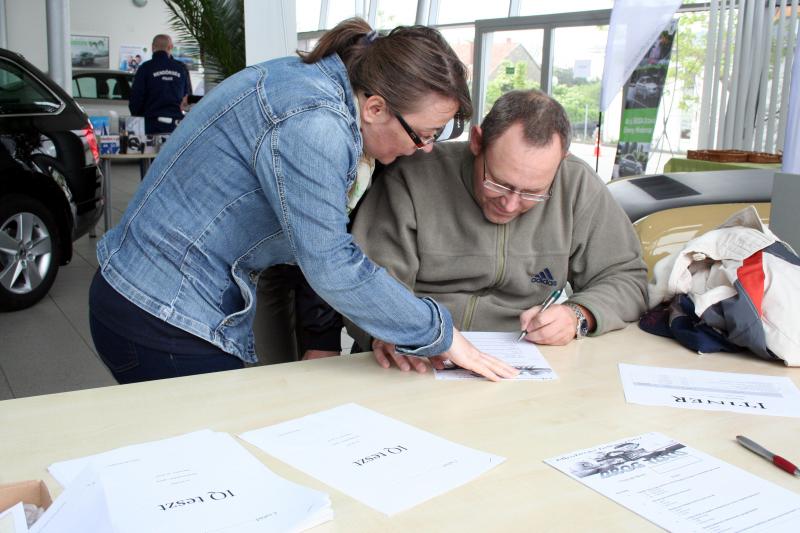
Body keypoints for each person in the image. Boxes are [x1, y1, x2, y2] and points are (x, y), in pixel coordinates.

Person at [89, 18, 518, 384]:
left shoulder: (320, 83)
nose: (425, 149)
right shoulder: (315, 124)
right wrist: (441, 334)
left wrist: (393, 323)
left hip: (147, 294)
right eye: (422, 135)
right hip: (160, 312)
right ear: (375, 108)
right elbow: (330, 261)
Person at [347, 89, 648, 372]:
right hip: (419, 356)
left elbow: (626, 277)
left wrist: (579, 314)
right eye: (498, 183)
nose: (510, 204)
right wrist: (387, 329)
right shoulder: (412, 177)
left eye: (533, 193)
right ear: (477, 142)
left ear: (561, 162)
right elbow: (362, 279)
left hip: (522, 362)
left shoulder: (577, 185)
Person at [128, 35, 189, 135]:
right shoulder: (181, 68)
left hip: (151, 125)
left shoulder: (145, 68)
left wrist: (139, 116)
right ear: (170, 47)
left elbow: (136, 98)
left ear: (152, 47)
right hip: (176, 126)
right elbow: (187, 97)